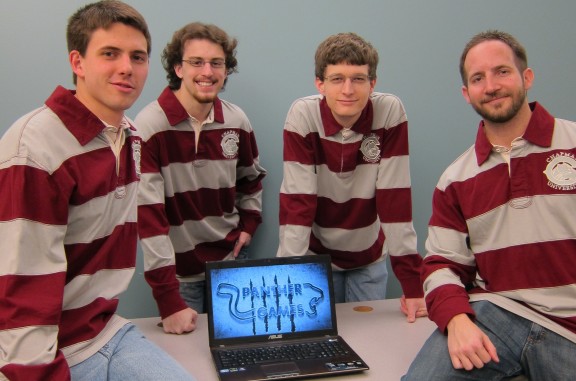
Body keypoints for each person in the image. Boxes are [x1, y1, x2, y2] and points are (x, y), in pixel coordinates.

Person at [0, 1, 196, 380]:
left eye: (137, 57)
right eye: (110, 53)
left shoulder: (131, 137)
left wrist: (168, 300)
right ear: (78, 62)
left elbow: (146, 225)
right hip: (43, 350)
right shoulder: (35, 149)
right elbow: (22, 292)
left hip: (104, 331)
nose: (127, 68)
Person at [403, 30, 576, 381]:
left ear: (526, 77)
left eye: (502, 72)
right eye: (478, 78)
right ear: (467, 94)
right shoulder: (455, 179)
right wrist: (456, 320)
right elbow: (441, 265)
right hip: (497, 314)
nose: (492, 86)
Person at [277, 32, 426, 322]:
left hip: (367, 255)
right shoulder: (302, 115)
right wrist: (287, 278)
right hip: (315, 257)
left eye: (358, 79)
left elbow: (394, 199)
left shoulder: (390, 111)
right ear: (319, 83)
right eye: (337, 79)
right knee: (316, 340)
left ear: (373, 83)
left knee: (368, 345)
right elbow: (298, 204)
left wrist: (412, 284)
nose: (348, 90)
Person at [136, 22, 266, 334]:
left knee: (236, 352)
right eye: (196, 62)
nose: (207, 71)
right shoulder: (149, 127)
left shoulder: (237, 121)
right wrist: (168, 299)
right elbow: (148, 217)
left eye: (216, 63)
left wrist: (249, 225)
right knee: (189, 365)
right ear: (178, 68)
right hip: (180, 276)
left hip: (230, 264)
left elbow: (251, 179)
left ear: (226, 70)